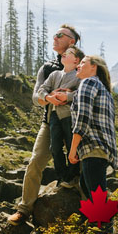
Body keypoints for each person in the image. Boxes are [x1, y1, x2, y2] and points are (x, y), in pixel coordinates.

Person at [8, 24, 81, 225]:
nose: (55, 38)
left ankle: (91, 211)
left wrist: (68, 97)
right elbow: (35, 97)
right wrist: (48, 98)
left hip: (79, 125)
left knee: (82, 163)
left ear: (71, 42)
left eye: (60, 35)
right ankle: (24, 209)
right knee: (35, 161)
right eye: (54, 34)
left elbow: (94, 91)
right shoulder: (48, 67)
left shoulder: (83, 65)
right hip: (50, 123)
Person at [68, 55, 118, 218]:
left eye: (83, 62)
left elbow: (83, 117)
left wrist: (73, 148)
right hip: (101, 150)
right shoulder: (104, 90)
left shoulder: (88, 83)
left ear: (94, 67)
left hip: (93, 147)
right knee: (92, 192)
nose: (78, 65)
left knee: (98, 202)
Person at [37, 45, 85, 188]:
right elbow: (41, 90)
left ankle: (72, 176)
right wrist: (49, 97)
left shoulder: (79, 77)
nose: (64, 54)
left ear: (76, 61)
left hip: (69, 116)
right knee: (54, 147)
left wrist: (67, 96)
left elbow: (81, 93)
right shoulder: (54, 75)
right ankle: (62, 176)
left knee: (71, 146)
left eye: (68, 53)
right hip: (53, 115)